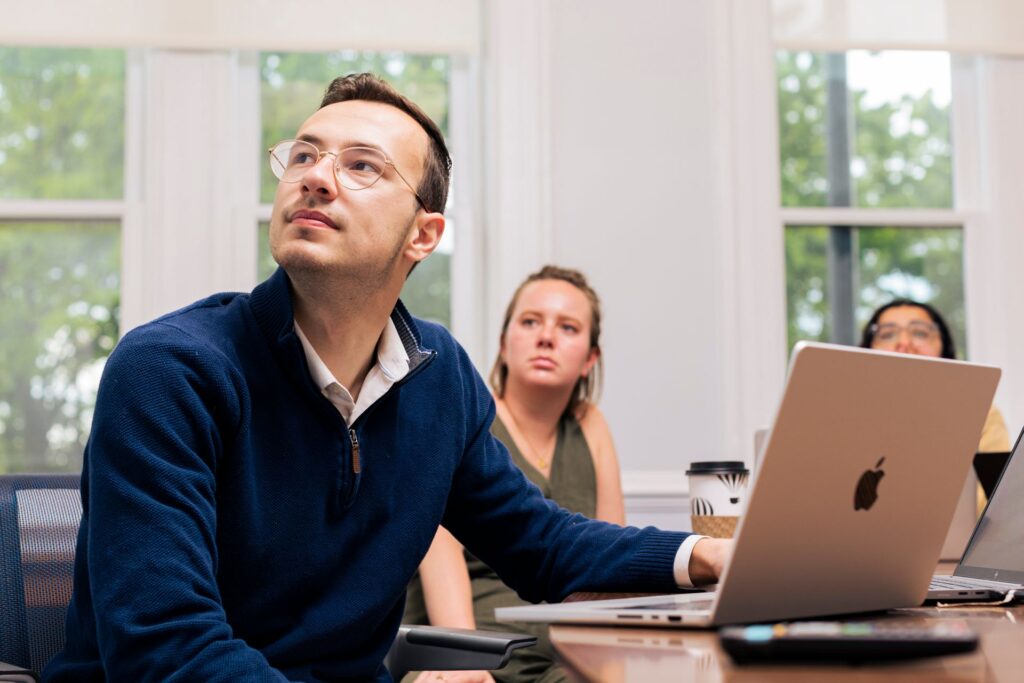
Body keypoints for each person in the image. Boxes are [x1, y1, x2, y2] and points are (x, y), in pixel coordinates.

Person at [44, 73, 730, 682]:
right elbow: (169, 652)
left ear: (423, 235)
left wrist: (706, 556)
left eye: (362, 166)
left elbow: (543, 543)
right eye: (305, 154)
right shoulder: (170, 370)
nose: (315, 176)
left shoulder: (441, 378)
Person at [404, 266, 621, 683]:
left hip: (566, 663)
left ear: (589, 359)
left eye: (569, 327)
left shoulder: (590, 426)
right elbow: (440, 560)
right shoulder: (463, 417)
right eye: (530, 322)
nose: (546, 337)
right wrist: (466, 662)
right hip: (469, 658)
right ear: (504, 344)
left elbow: (610, 566)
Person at [860, 298, 1010, 514]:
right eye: (887, 334)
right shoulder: (843, 417)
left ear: (944, 348)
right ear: (867, 349)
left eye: (920, 333)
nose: (904, 343)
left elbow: (993, 508)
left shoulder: (982, 414)